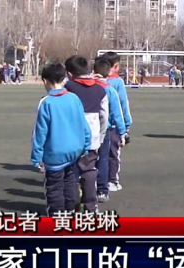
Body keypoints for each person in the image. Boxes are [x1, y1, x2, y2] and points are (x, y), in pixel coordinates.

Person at [31, 63, 91, 217]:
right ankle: (70, 209)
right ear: (64, 79)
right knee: (70, 180)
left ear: (45, 81)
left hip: (55, 154)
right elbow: (84, 125)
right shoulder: (74, 98)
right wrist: (86, 145)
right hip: (75, 150)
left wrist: (36, 157)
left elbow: (40, 133)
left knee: (54, 187)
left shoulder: (46, 102)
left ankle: (57, 214)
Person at [63, 56, 110, 208]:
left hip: (70, 140)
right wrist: (100, 136)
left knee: (70, 173)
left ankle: (71, 204)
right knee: (89, 171)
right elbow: (104, 116)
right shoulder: (100, 90)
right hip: (92, 139)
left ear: (69, 74)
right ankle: (91, 205)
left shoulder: (67, 89)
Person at [94, 57, 127, 196]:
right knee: (103, 158)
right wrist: (123, 131)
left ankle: (87, 187)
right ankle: (103, 188)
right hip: (105, 129)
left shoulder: (86, 87)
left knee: (88, 159)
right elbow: (118, 112)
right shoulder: (109, 89)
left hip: (87, 129)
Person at [102, 52, 133, 144]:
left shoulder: (95, 80)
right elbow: (123, 103)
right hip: (113, 126)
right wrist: (127, 123)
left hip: (97, 125)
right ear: (116, 66)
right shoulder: (117, 81)